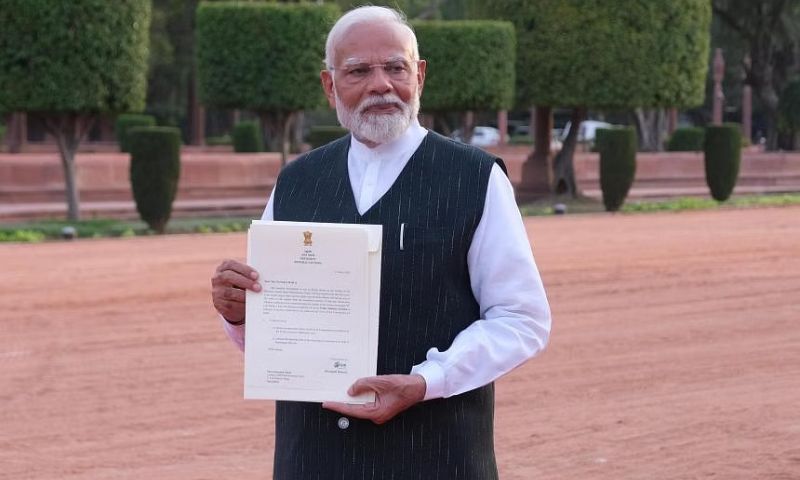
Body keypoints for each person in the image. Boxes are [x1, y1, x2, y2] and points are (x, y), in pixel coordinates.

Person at [210, 6, 551, 479]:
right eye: (358, 72)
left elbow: (521, 318)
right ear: (330, 85)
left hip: (435, 456)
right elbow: (278, 328)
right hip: (314, 457)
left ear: (419, 75)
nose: (381, 85)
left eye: (396, 67)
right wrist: (238, 314)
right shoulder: (297, 182)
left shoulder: (474, 179)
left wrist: (427, 381)